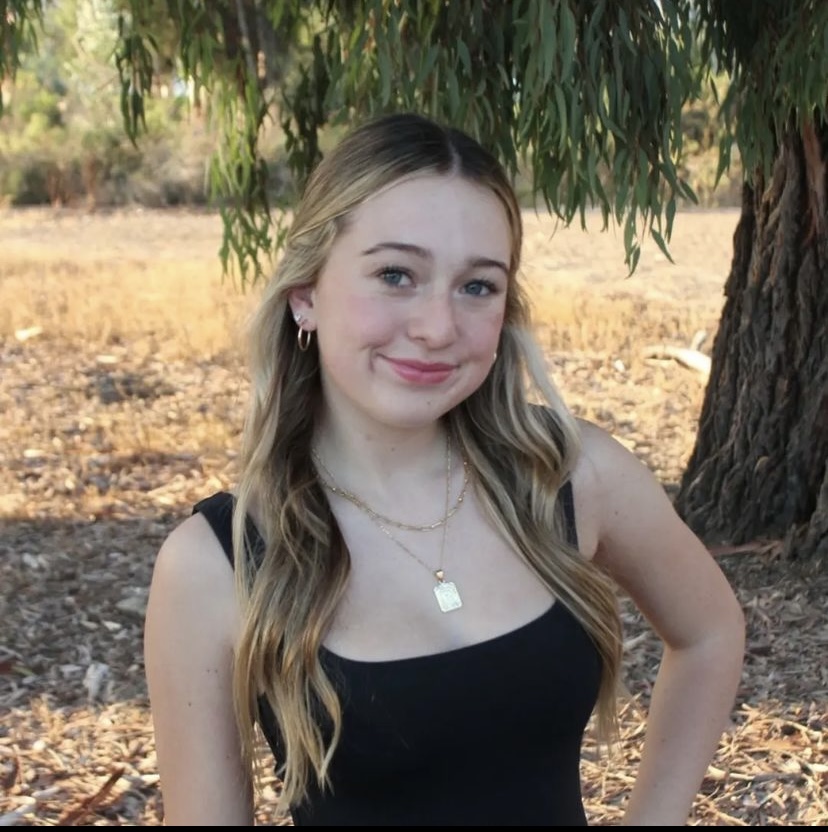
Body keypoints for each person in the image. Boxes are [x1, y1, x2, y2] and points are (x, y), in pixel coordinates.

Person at [143, 112, 745, 826]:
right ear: (306, 294)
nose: (438, 328)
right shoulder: (218, 564)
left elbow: (710, 633)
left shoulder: (571, 476)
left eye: (477, 286)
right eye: (395, 275)